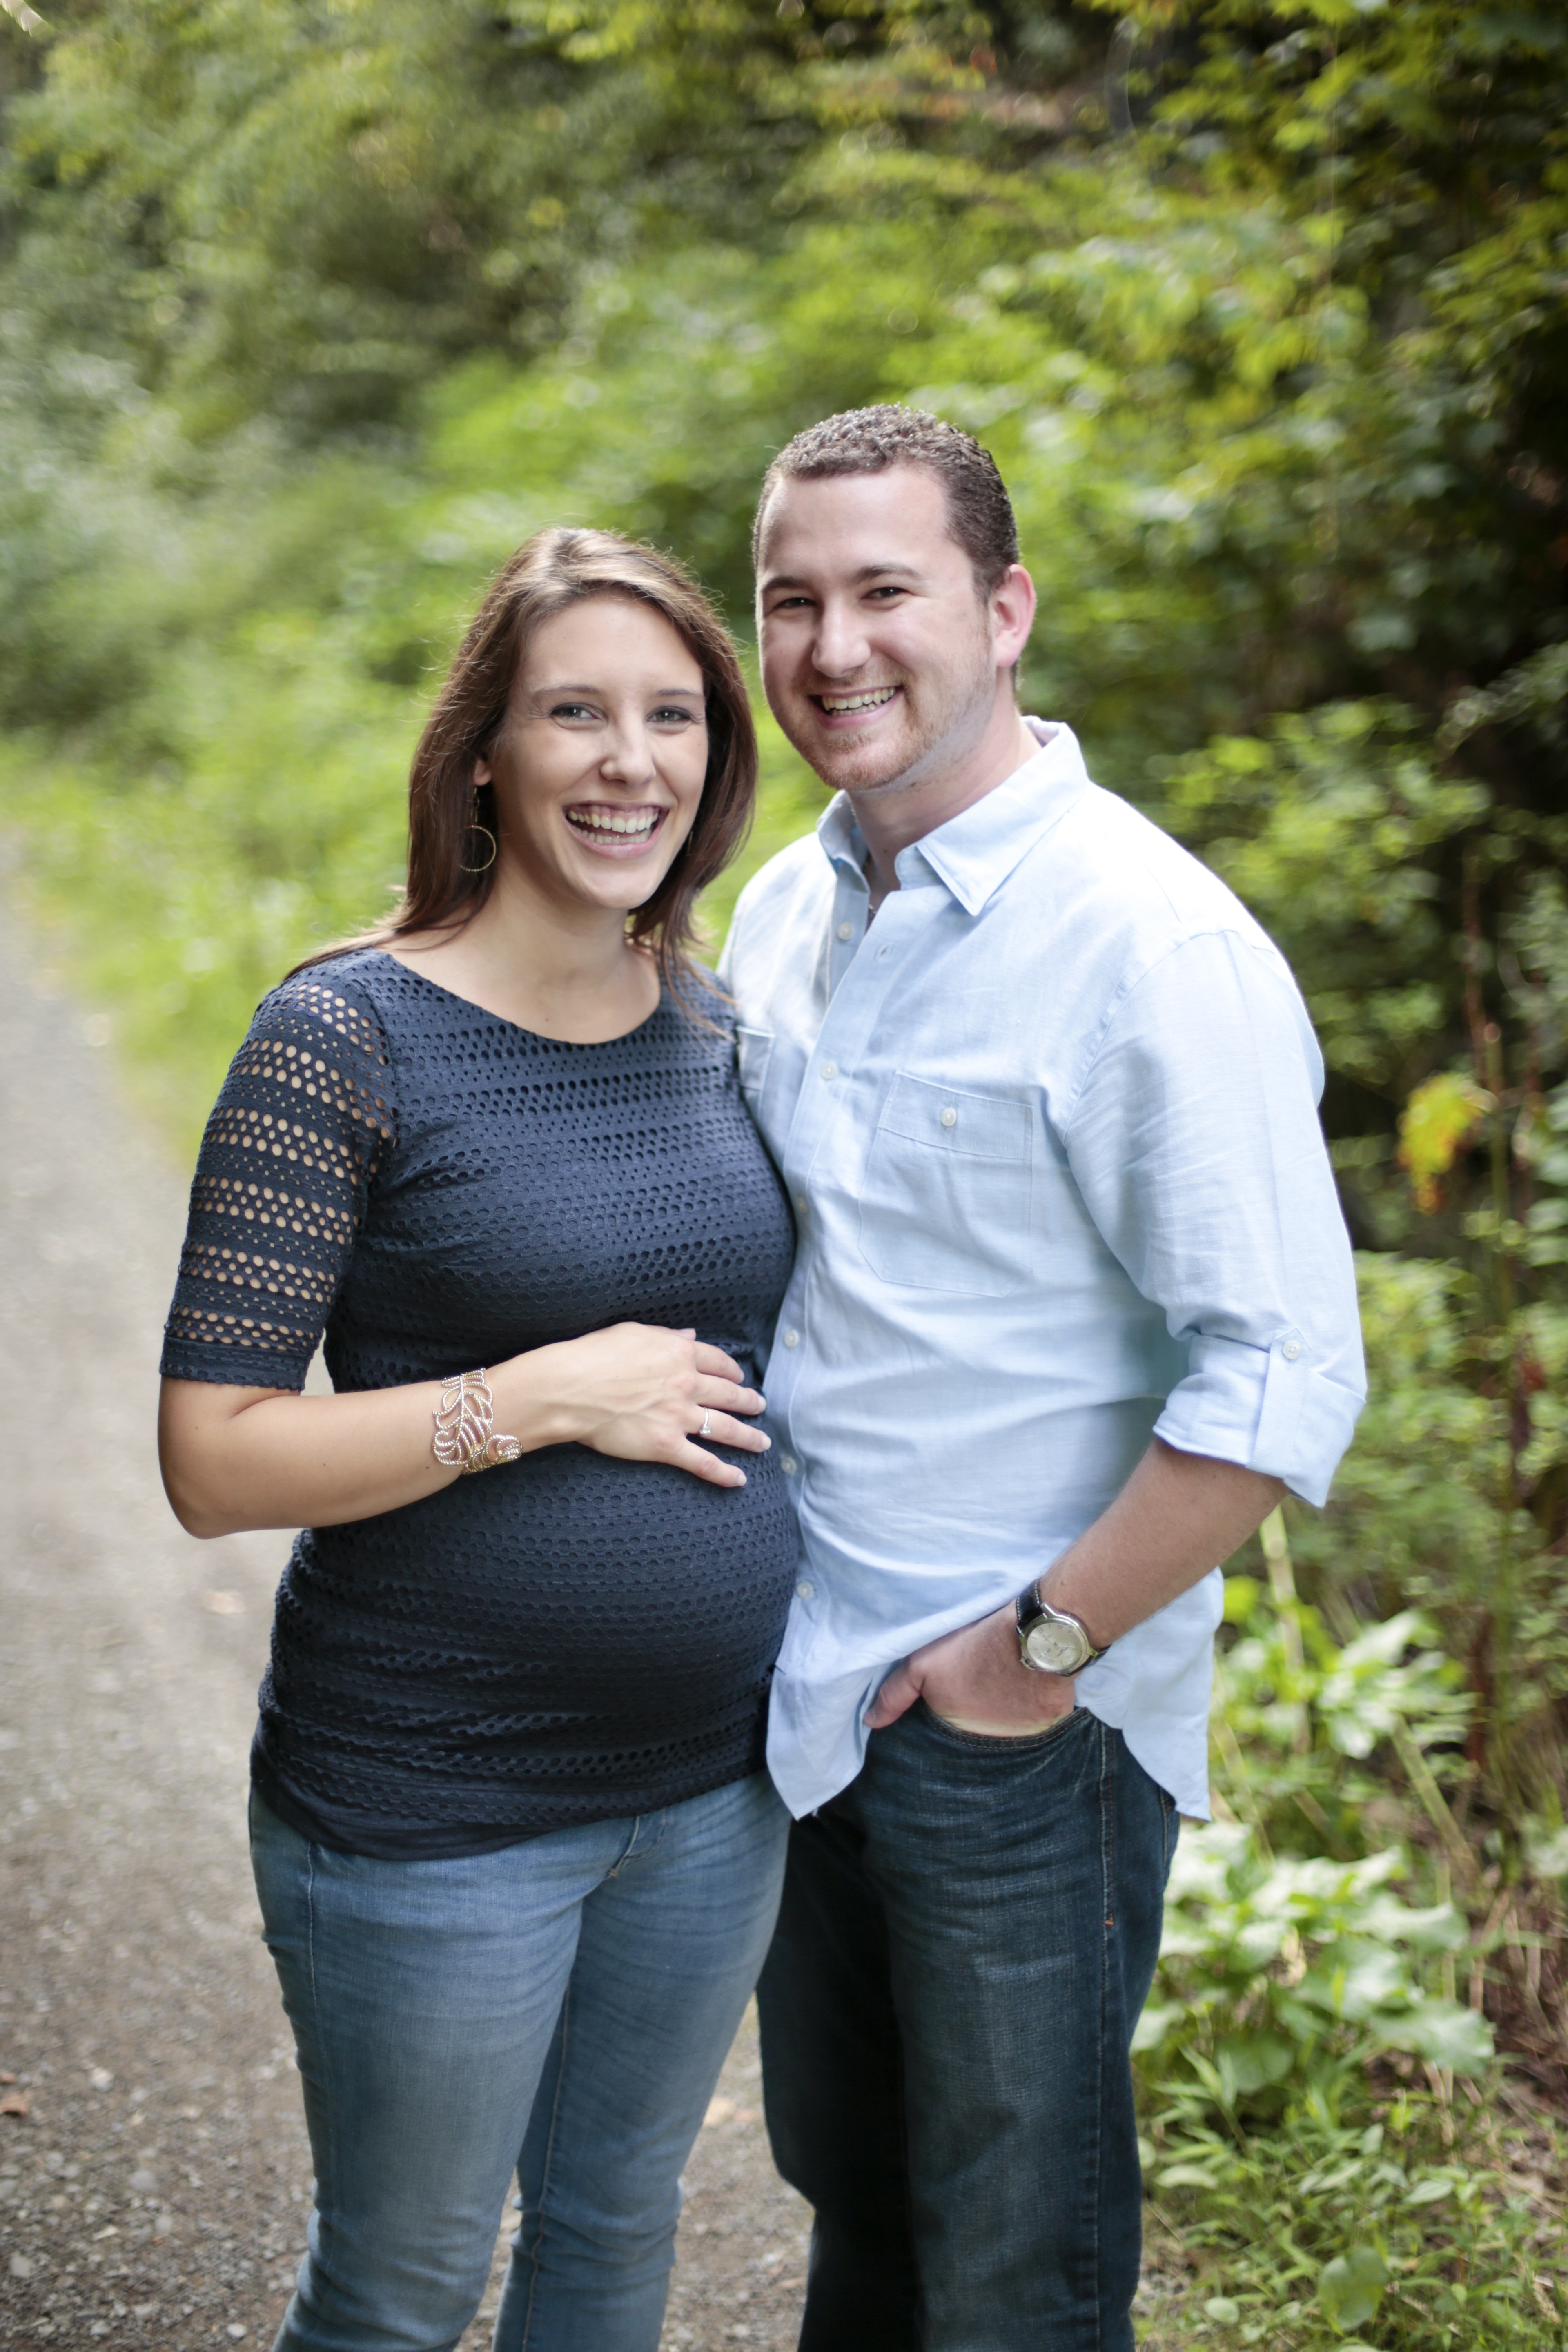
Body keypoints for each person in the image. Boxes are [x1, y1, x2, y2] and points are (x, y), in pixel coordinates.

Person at [719, 407, 1368, 2352]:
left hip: (1017, 1731)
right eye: (792, 601)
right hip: (809, 1693)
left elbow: (1281, 1373)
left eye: (886, 592)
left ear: (1004, 611)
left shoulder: (1150, 946)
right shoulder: (787, 904)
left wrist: (1031, 1659)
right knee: (858, 2210)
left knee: (1018, 2276)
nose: (834, 646)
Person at [156, 528, 802, 2352]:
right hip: (434, 1802)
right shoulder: (341, 1039)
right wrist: (534, 1399)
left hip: (711, 1792)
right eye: (575, 713)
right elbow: (214, 1460)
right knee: (404, 2286)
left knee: (611, 2233)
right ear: (486, 758)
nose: (630, 761)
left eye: (672, 716)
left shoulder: (721, 1027)